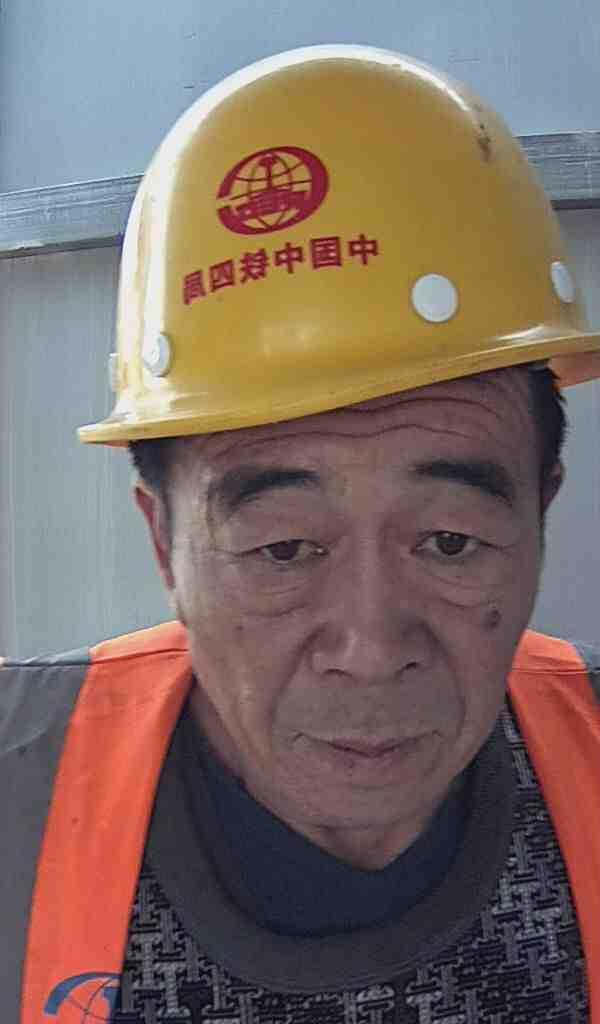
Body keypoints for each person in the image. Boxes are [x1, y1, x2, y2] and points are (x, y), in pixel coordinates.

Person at [2, 45, 600, 1024]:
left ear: (540, 512)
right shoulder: (17, 787)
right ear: (163, 542)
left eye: (449, 541)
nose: (370, 649)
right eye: (284, 548)